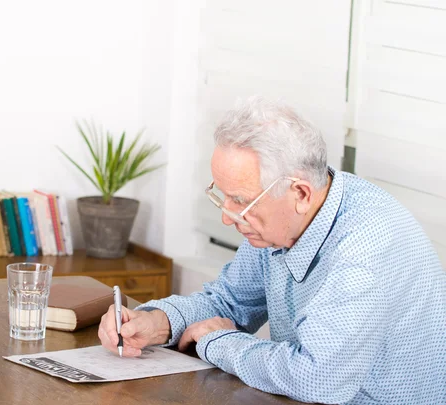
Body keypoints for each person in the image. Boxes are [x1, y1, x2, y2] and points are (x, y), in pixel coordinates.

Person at [98, 96, 446, 405]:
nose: (227, 216)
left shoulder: (366, 245)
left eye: (240, 201)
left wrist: (217, 342)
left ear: (301, 193)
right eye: (223, 195)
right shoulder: (279, 223)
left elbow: (317, 377)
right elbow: (230, 301)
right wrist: (157, 322)